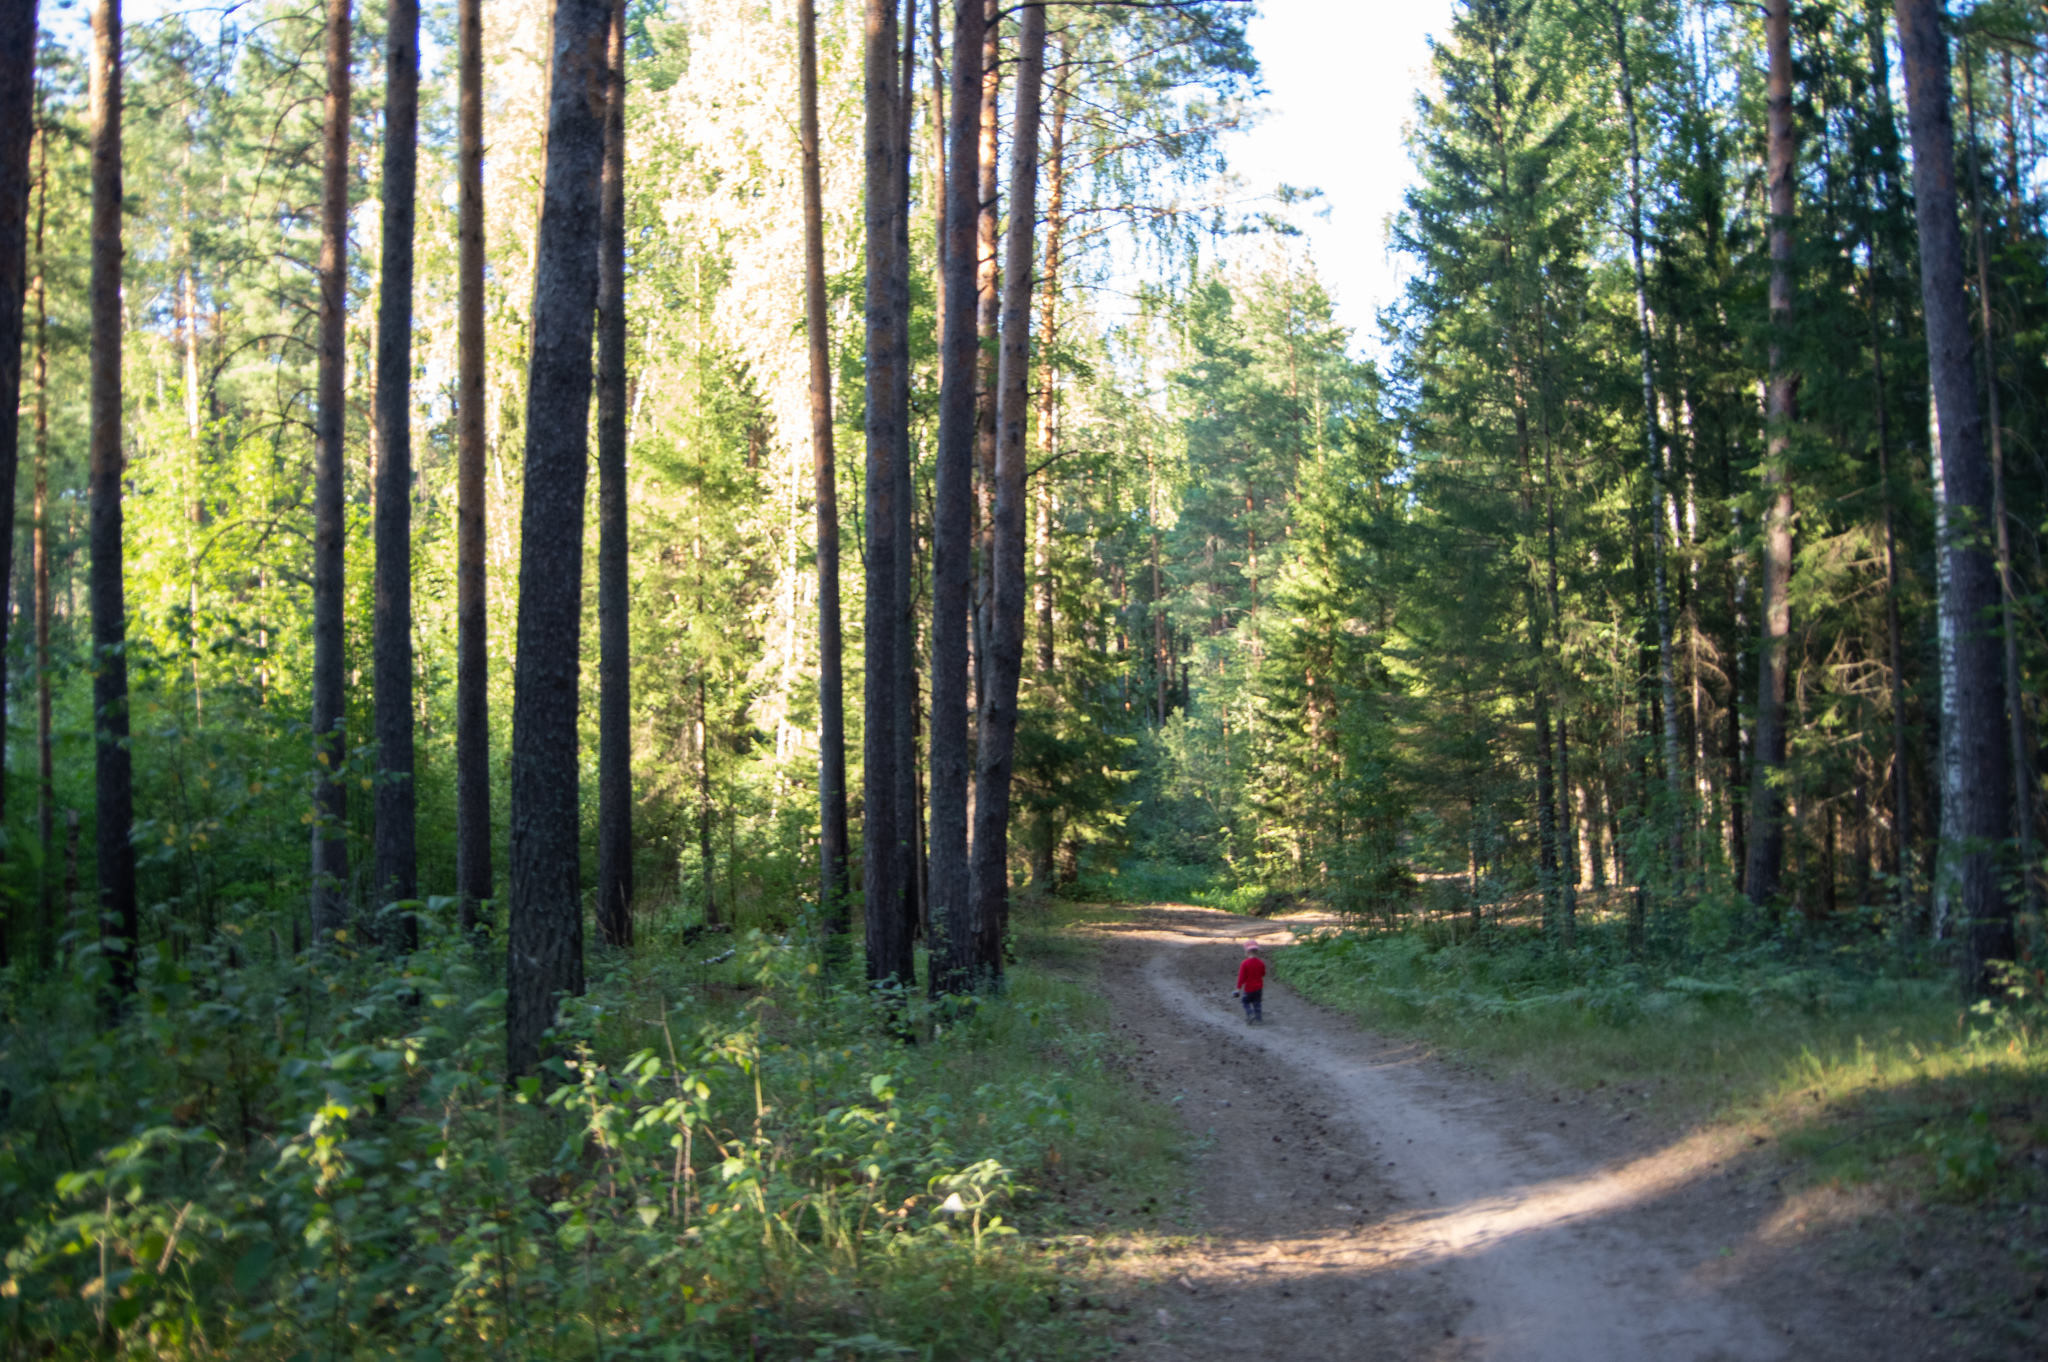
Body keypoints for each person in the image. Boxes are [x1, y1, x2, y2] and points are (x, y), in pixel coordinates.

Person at [1234, 941, 1266, 1023]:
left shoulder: (1245, 963)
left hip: (1249, 988)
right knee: (1257, 1002)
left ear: (1247, 952)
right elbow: (1263, 973)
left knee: (1245, 1001)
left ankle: (1250, 1013)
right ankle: (1259, 1018)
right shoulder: (1261, 962)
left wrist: (1238, 988)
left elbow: (1241, 977)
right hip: (1259, 987)